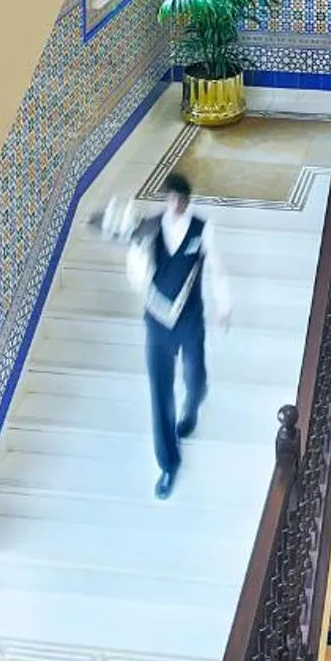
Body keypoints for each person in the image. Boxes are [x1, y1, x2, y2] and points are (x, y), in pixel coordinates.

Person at [99, 171, 230, 497]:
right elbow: (136, 277)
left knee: (195, 377)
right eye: (170, 198)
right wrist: (137, 248)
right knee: (160, 392)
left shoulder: (203, 229)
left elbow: (218, 270)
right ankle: (168, 464)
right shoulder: (150, 227)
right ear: (166, 199)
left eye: (181, 199)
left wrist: (224, 306)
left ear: (187, 200)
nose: (175, 204)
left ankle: (194, 403)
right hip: (157, 323)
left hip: (190, 320)